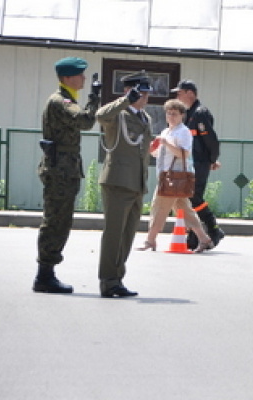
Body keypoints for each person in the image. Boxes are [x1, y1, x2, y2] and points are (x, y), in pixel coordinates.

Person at [33, 57, 100, 294]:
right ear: (67, 78)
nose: (84, 78)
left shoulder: (66, 99)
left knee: (61, 220)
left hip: (65, 169)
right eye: (80, 74)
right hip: (59, 170)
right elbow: (85, 121)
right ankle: (44, 274)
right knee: (55, 221)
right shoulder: (60, 101)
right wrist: (94, 98)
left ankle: (47, 272)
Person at [95, 71, 154, 298]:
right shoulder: (118, 115)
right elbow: (100, 116)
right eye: (141, 93)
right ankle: (108, 281)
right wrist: (125, 101)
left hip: (136, 183)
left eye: (147, 93)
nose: (145, 97)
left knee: (127, 235)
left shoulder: (145, 118)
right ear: (129, 91)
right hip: (118, 182)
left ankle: (117, 278)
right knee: (114, 234)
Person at [136, 99, 214, 253]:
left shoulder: (183, 132)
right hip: (167, 176)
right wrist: (153, 149)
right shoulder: (166, 132)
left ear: (182, 115)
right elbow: (161, 154)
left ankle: (150, 240)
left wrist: (166, 143)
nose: (171, 117)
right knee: (184, 209)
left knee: (159, 208)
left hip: (174, 178)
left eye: (174, 114)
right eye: (169, 113)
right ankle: (204, 239)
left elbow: (184, 153)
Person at [171, 80, 225, 249]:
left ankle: (212, 229)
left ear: (190, 93)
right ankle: (196, 236)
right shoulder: (187, 114)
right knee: (190, 198)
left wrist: (212, 160)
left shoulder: (200, 113)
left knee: (194, 197)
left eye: (180, 93)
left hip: (199, 163)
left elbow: (211, 140)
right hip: (189, 163)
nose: (177, 96)